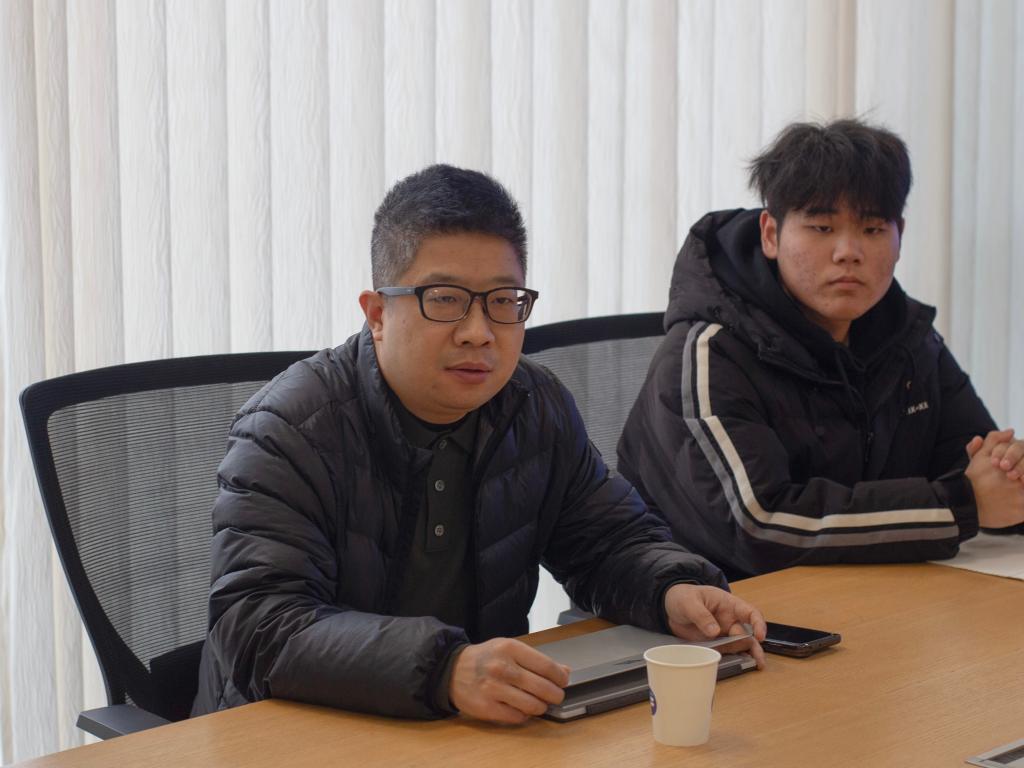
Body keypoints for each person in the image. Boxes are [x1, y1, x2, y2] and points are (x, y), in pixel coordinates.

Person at [192, 164, 766, 724]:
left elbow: (607, 541)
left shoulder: (533, 406)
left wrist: (671, 589)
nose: (478, 332)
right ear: (377, 313)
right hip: (300, 735)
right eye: (444, 299)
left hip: (473, 729)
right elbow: (260, 624)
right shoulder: (288, 430)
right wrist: (443, 670)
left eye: (502, 300)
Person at [618, 118, 1024, 582]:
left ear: (900, 236)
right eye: (822, 227)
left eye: (873, 229)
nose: (848, 251)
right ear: (771, 235)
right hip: (717, 610)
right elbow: (761, 526)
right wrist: (962, 504)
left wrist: (1010, 477)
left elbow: (977, 467)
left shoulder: (910, 340)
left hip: (868, 594)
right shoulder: (708, 354)